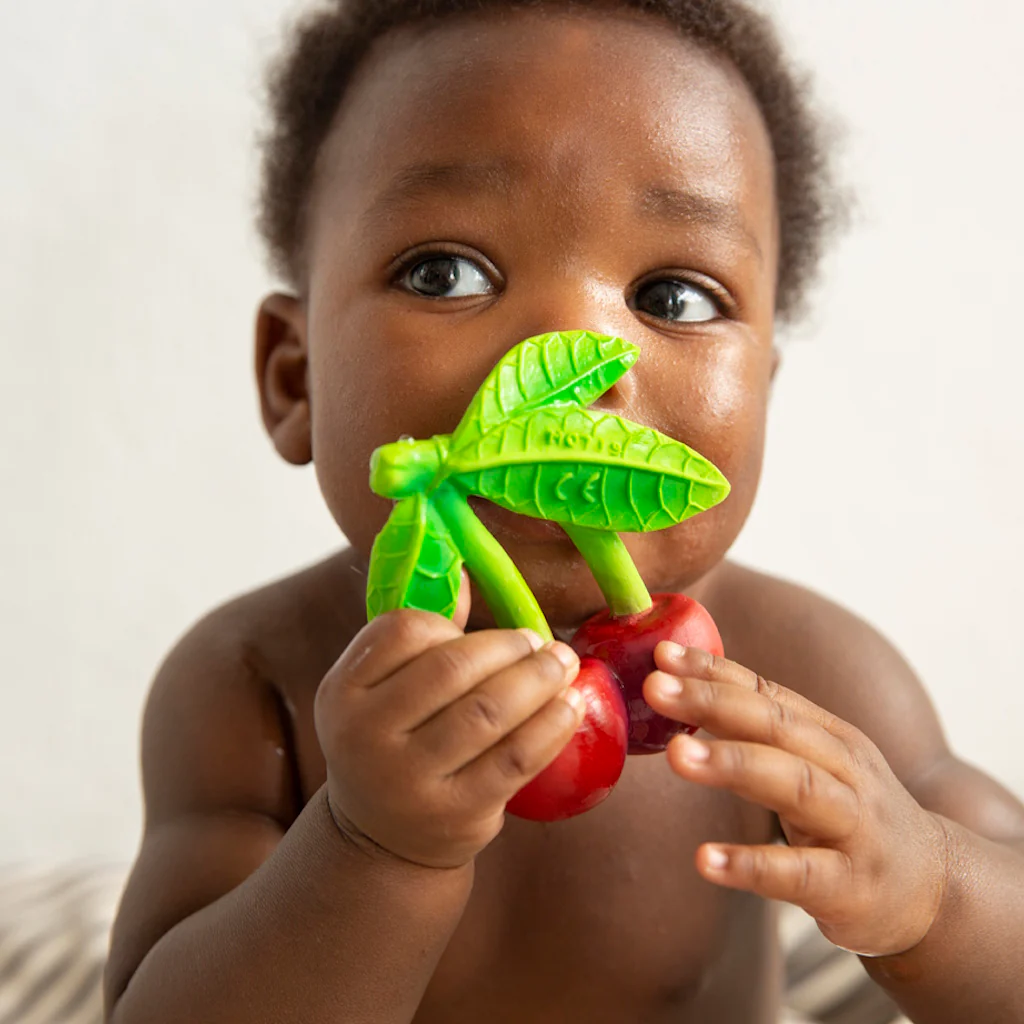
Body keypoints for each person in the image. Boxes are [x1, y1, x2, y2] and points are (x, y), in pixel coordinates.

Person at [103, 1, 1024, 1021]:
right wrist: (367, 847)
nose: (559, 365)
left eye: (673, 296)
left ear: (762, 390)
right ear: (295, 376)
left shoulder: (801, 669)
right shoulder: (255, 683)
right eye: (445, 273)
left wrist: (931, 893)